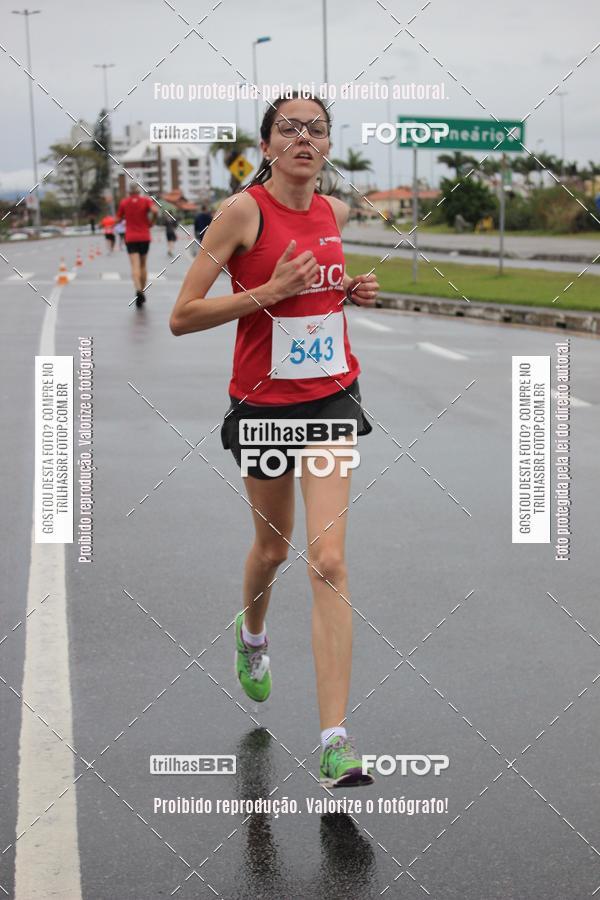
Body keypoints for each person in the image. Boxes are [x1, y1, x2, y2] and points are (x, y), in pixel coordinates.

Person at [170, 92, 379, 789]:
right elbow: (182, 315)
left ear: (326, 146)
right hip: (261, 406)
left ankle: (335, 742)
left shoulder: (335, 212)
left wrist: (344, 289)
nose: (304, 137)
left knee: (329, 560)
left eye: (316, 129)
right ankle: (252, 636)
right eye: (288, 127)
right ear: (266, 145)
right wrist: (268, 291)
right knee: (273, 548)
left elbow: (315, 295)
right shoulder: (242, 213)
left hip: (330, 397)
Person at [116, 183, 156, 307]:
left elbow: (118, 219)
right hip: (144, 236)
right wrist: (151, 222)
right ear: (139, 192)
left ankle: (138, 289)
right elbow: (155, 211)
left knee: (135, 265)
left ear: (129, 193)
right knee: (143, 265)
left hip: (131, 237)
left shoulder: (124, 202)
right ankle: (142, 291)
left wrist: (109, 224)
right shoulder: (146, 201)